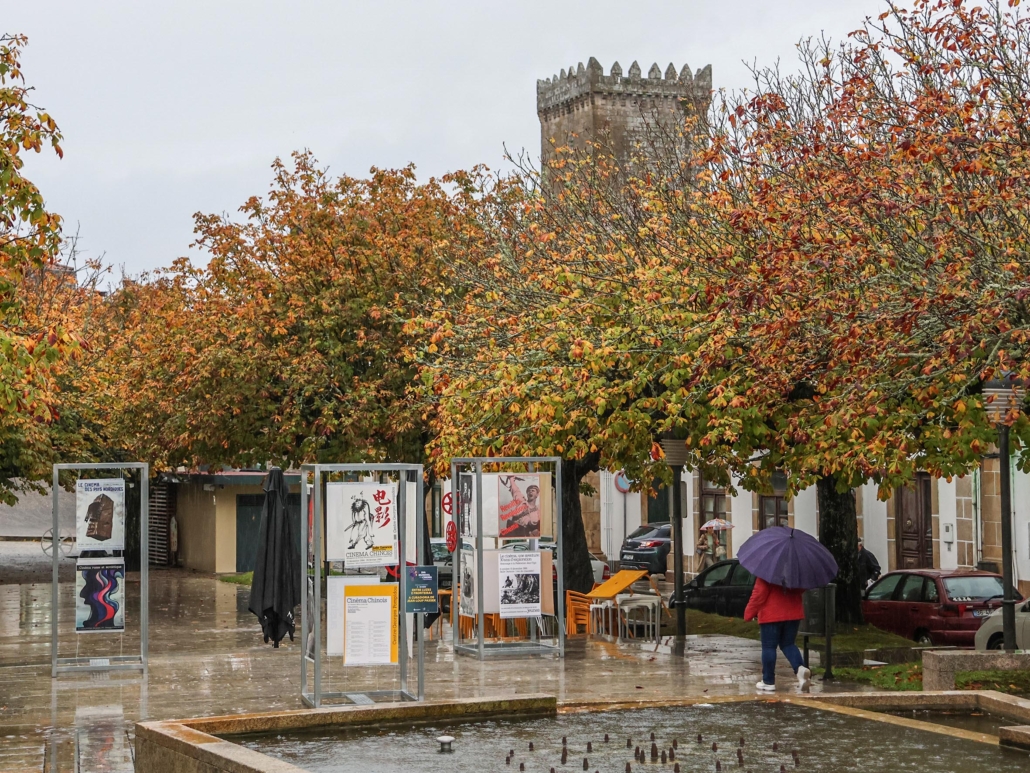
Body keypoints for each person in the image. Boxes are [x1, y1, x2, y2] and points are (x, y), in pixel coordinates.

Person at [744, 576, 811, 693]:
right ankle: (800, 669)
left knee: (769, 647)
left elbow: (759, 594)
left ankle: (768, 681)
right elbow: (802, 588)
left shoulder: (768, 571)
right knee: (789, 644)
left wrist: (748, 613)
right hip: (793, 614)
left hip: (771, 614)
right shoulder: (795, 571)